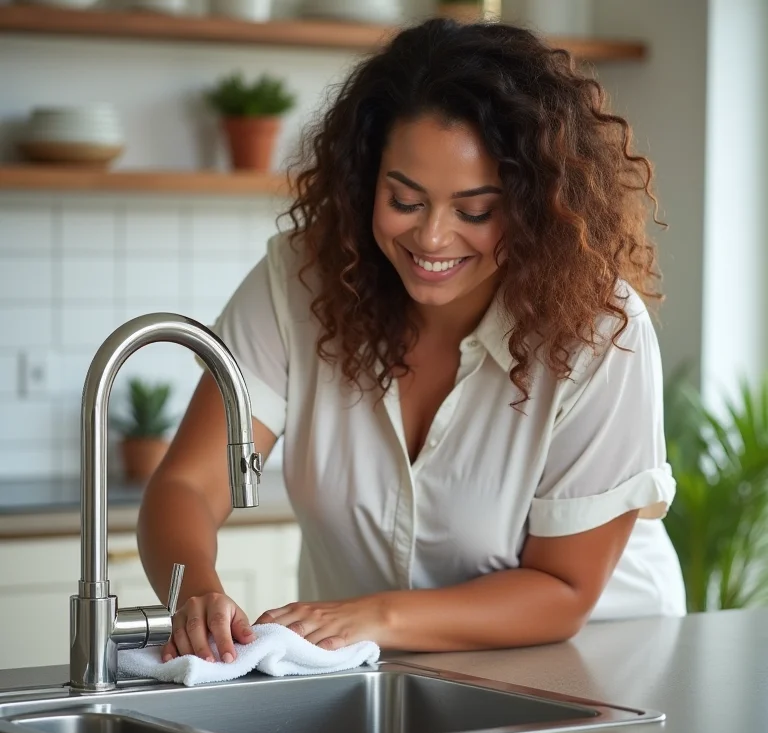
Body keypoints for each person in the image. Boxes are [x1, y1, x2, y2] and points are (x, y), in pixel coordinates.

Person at [137, 17, 686, 666]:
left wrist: (375, 614)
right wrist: (196, 591)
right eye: (405, 199)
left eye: (474, 211)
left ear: (532, 206)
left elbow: (562, 591)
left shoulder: (598, 329)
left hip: (600, 662)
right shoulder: (299, 283)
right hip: (380, 665)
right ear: (367, 178)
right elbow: (189, 486)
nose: (431, 239)